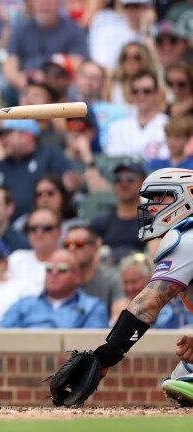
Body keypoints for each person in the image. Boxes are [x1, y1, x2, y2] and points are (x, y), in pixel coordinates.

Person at [61, 168, 193, 407]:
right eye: (150, 199)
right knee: (181, 376)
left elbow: (148, 304)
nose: (151, 206)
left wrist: (104, 358)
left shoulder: (188, 239)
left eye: (160, 197)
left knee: (186, 382)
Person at [0, 249, 109, 328]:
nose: (54, 273)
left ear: (77, 276)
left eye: (62, 269)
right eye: (49, 268)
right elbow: (4, 340)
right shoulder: (23, 305)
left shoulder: (92, 307)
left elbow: (93, 349)